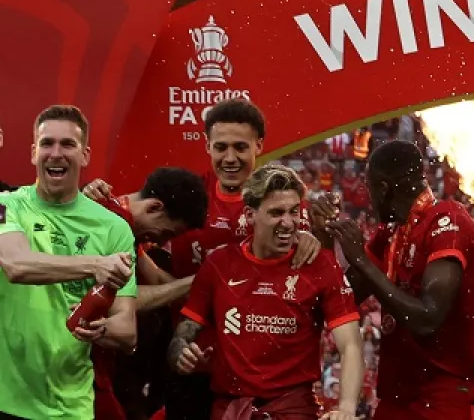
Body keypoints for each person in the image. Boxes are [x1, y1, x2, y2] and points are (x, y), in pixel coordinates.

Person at [86, 99, 319, 420]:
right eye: (221, 147)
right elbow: (136, 220)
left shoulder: (284, 206)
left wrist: (317, 238)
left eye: (240, 147)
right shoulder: (190, 198)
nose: (230, 158)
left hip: (259, 376)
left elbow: (307, 284)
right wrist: (92, 200)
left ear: (259, 146)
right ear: (207, 146)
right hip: (188, 362)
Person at [169, 164, 363, 420]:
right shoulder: (219, 264)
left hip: (293, 410)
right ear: (250, 215)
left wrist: (346, 408)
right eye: (276, 212)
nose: (288, 222)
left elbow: (350, 344)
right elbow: (183, 334)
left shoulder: (320, 264)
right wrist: (180, 351)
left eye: (294, 212)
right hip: (231, 410)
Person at [328, 140, 474, 420]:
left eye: (369, 189)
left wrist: (363, 261)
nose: (368, 198)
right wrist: (323, 240)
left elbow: (428, 318)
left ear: (383, 189)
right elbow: (344, 298)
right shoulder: (390, 232)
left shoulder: (447, 219)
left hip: (448, 390)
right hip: (400, 393)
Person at [0, 105, 138, 420]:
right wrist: (94, 265)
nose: (56, 153)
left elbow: (127, 329)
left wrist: (101, 329)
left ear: (85, 155)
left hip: (71, 406)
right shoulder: (4, 205)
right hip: (6, 400)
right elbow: (16, 265)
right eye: (47, 143)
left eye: (68, 145)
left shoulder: (113, 227)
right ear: (33, 153)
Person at [91, 167, 209, 420]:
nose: (158, 241)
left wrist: (203, 286)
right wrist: (198, 282)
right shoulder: (113, 222)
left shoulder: (119, 218)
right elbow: (123, 301)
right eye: (166, 232)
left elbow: (155, 277)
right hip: (79, 363)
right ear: (154, 207)